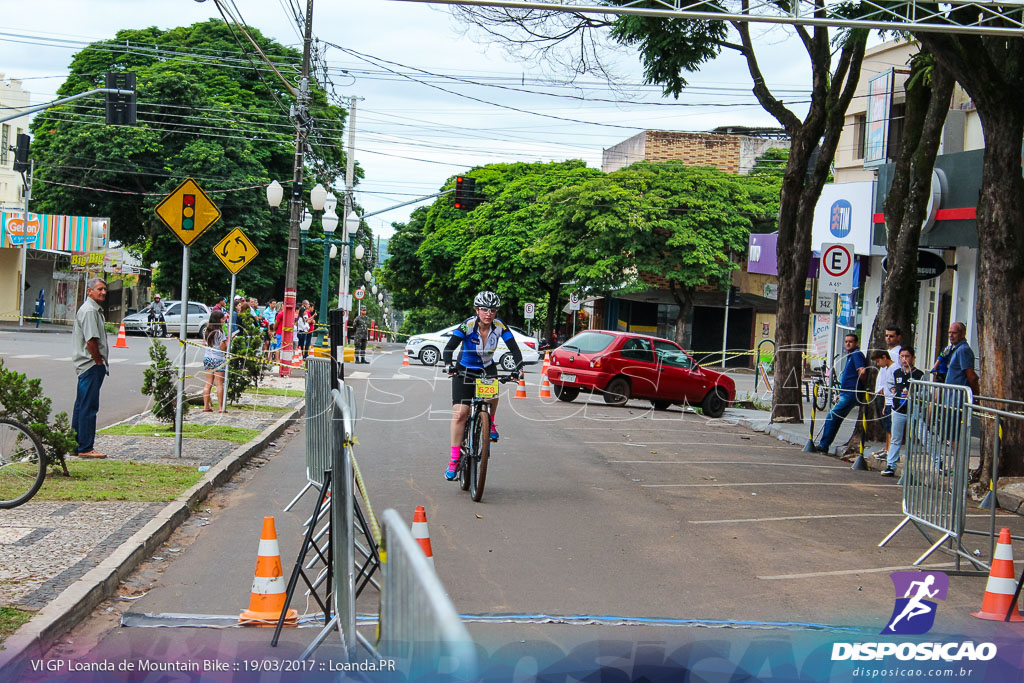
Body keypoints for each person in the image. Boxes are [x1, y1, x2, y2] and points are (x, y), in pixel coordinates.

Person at [441, 291, 524, 481]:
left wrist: (519, 369)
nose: (489, 313)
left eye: (493, 310)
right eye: (485, 310)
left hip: (487, 368)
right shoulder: (467, 325)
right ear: (477, 310)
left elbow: (515, 350)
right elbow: (449, 348)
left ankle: (490, 422)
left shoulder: (500, 326)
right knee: (461, 413)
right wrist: (448, 365)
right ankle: (454, 460)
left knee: (492, 391)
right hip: (465, 369)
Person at [71, 278, 109, 459]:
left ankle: (75, 444)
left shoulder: (93, 309)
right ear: (89, 291)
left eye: (104, 289)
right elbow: (91, 340)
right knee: (88, 406)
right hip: (90, 365)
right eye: (99, 289)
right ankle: (85, 447)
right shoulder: (89, 311)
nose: (102, 292)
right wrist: (99, 362)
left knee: (81, 406)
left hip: (88, 365)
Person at [814, 333, 867, 454]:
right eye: (846, 341)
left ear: (856, 343)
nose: (848, 344)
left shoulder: (856, 354)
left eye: (851, 342)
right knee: (836, 419)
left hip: (851, 393)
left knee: (832, 416)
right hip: (846, 392)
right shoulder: (850, 356)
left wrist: (859, 386)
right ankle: (825, 443)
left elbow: (862, 372)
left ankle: (824, 444)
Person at [883, 347, 925, 476]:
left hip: (914, 410)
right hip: (898, 409)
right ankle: (891, 465)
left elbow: (924, 391)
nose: (904, 359)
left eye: (907, 356)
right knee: (896, 438)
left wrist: (914, 394)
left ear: (913, 357)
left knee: (921, 436)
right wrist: (894, 391)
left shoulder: (919, 374)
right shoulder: (897, 373)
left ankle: (937, 463)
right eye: (902, 356)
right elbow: (889, 384)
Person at [202, 310, 230, 413]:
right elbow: (223, 347)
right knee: (219, 384)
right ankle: (220, 408)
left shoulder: (206, 330)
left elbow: (204, 343)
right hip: (218, 359)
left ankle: (206, 406)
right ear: (218, 320)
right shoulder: (220, 332)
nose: (224, 320)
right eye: (223, 319)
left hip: (207, 358)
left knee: (208, 383)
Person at [870, 349, 895, 459]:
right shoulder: (887, 368)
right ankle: (887, 448)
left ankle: (890, 450)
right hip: (887, 400)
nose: (877, 364)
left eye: (878, 360)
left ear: (885, 357)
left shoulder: (893, 368)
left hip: (892, 401)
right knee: (887, 426)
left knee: (890, 428)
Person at [944, 322, 979, 394]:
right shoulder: (954, 349)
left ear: (963, 334)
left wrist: (975, 397)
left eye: (954, 333)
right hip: (951, 398)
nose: (951, 335)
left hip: (958, 399)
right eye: (949, 333)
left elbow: (972, 377)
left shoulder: (963, 350)